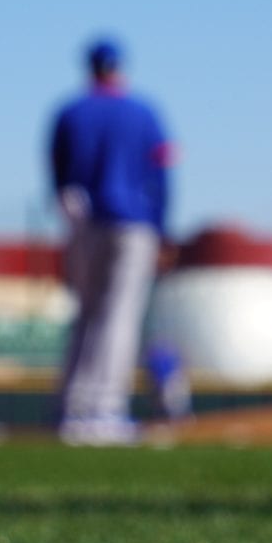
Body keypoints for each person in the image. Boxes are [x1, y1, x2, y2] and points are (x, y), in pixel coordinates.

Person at [48, 35, 173, 446]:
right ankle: (101, 411)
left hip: (85, 221)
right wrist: (162, 226)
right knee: (117, 317)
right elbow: (161, 177)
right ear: (120, 68)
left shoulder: (71, 112)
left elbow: (60, 179)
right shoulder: (144, 113)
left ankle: (72, 408)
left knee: (86, 313)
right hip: (133, 223)